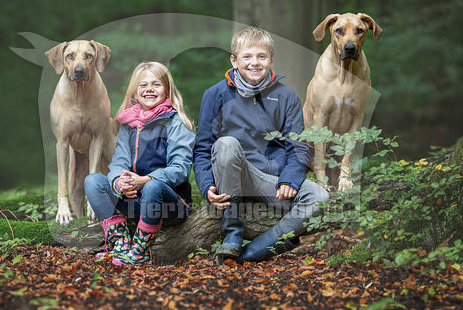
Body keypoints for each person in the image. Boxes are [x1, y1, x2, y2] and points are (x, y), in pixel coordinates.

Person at [193, 26, 329, 264]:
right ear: (234, 61)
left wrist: (289, 179)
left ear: (271, 60)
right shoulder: (215, 94)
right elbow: (203, 148)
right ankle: (232, 234)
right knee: (225, 144)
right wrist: (206, 186)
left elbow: (296, 147)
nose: (254, 63)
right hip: (232, 176)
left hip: (271, 181)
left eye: (261, 56)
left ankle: (255, 252)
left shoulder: (286, 96)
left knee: (319, 196)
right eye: (247, 57)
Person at [85, 61, 195, 266]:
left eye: (156, 84)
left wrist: (145, 180)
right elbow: (119, 161)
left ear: (167, 89)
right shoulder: (129, 124)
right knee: (93, 181)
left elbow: (180, 169)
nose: (149, 89)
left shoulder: (176, 122)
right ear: (135, 92)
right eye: (143, 85)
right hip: (137, 200)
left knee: (153, 186)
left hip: (170, 203)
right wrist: (119, 181)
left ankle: (141, 249)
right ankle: (121, 244)